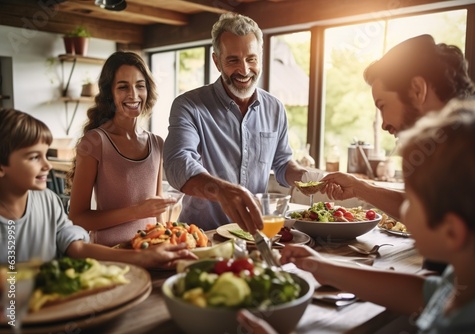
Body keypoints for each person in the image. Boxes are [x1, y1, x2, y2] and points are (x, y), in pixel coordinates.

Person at [241, 98, 475, 334]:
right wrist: (321, 267)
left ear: (452, 232)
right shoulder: (469, 280)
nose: (402, 207)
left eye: (410, 199)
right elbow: (425, 292)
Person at [0, 108, 197, 268]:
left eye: (45, 155)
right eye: (34, 157)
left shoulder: (48, 201)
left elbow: (75, 247)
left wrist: (140, 257)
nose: (48, 165)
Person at [163, 12, 306, 233]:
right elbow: (177, 163)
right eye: (233, 60)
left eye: (251, 59)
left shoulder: (275, 108)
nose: (244, 70)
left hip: (253, 233)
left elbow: (282, 162)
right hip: (202, 235)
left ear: (260, 56)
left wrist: (308, 178)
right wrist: (221, 191)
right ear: (217, 61)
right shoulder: (188, 106)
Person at [322, 34, 475, 220]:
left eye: (382, 105)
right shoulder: (444, 141)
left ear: (417, 89)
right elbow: (423, 211)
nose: (384, 124)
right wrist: (357, 187)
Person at [67, 51, 174, 247]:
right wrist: (137, 211)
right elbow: (77, 218)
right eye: (123, 87)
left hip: (150, 251)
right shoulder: (95, 142)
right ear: (110, 93)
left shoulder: (157, 143)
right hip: (110, 255)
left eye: (140, 86)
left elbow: (158, 215)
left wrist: (167, 238)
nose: (133, 95)